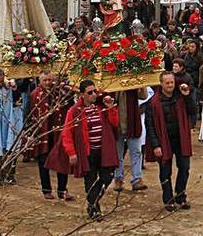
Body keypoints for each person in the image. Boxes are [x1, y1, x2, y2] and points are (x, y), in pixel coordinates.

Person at [45, 80, 119, 220]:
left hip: (103, 150)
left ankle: (93, 202)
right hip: (88, 152)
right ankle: (94, 208)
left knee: (107, 177)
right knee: (90, 180)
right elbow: (67, 133)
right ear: (82, 95)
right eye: (89, 92)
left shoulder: (101, 106)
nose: (93, 95)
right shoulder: (74, 111)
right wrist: (71, 153)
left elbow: (114, 123)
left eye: (94, 91)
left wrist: (110, 108)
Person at [145, 72, 194, 211]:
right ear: (161, 84)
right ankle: (168, 199)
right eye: (167, 83)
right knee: (165, 171)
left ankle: (180, 195)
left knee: (184, 168)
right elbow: (150, 125)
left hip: (181, 138)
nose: (170, 85)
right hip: (163, 140)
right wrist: (155, 145)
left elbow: (192, 111)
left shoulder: (181, 97)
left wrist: (187, 96)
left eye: (172, 82)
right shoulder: (153, 102)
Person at [29, 70, 74, 200]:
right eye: (45, 80)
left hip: (58, 132)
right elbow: (30, 113)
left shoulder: (59, 93)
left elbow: (70, 104)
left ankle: (62, 190)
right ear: (40, 81)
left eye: (50, 80)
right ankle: (46, 189)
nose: (48, 83)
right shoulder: (35, 94)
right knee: (43, 162)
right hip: (42, 133)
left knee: (62, 160)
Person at [112, 87, 148, 193]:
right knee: (118, 154)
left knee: (136, 151)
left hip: (132, 122)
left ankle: (136, 179)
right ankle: (118, 178)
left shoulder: (134, 83)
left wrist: (141, 86)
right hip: (117, 123)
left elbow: (143, 96)